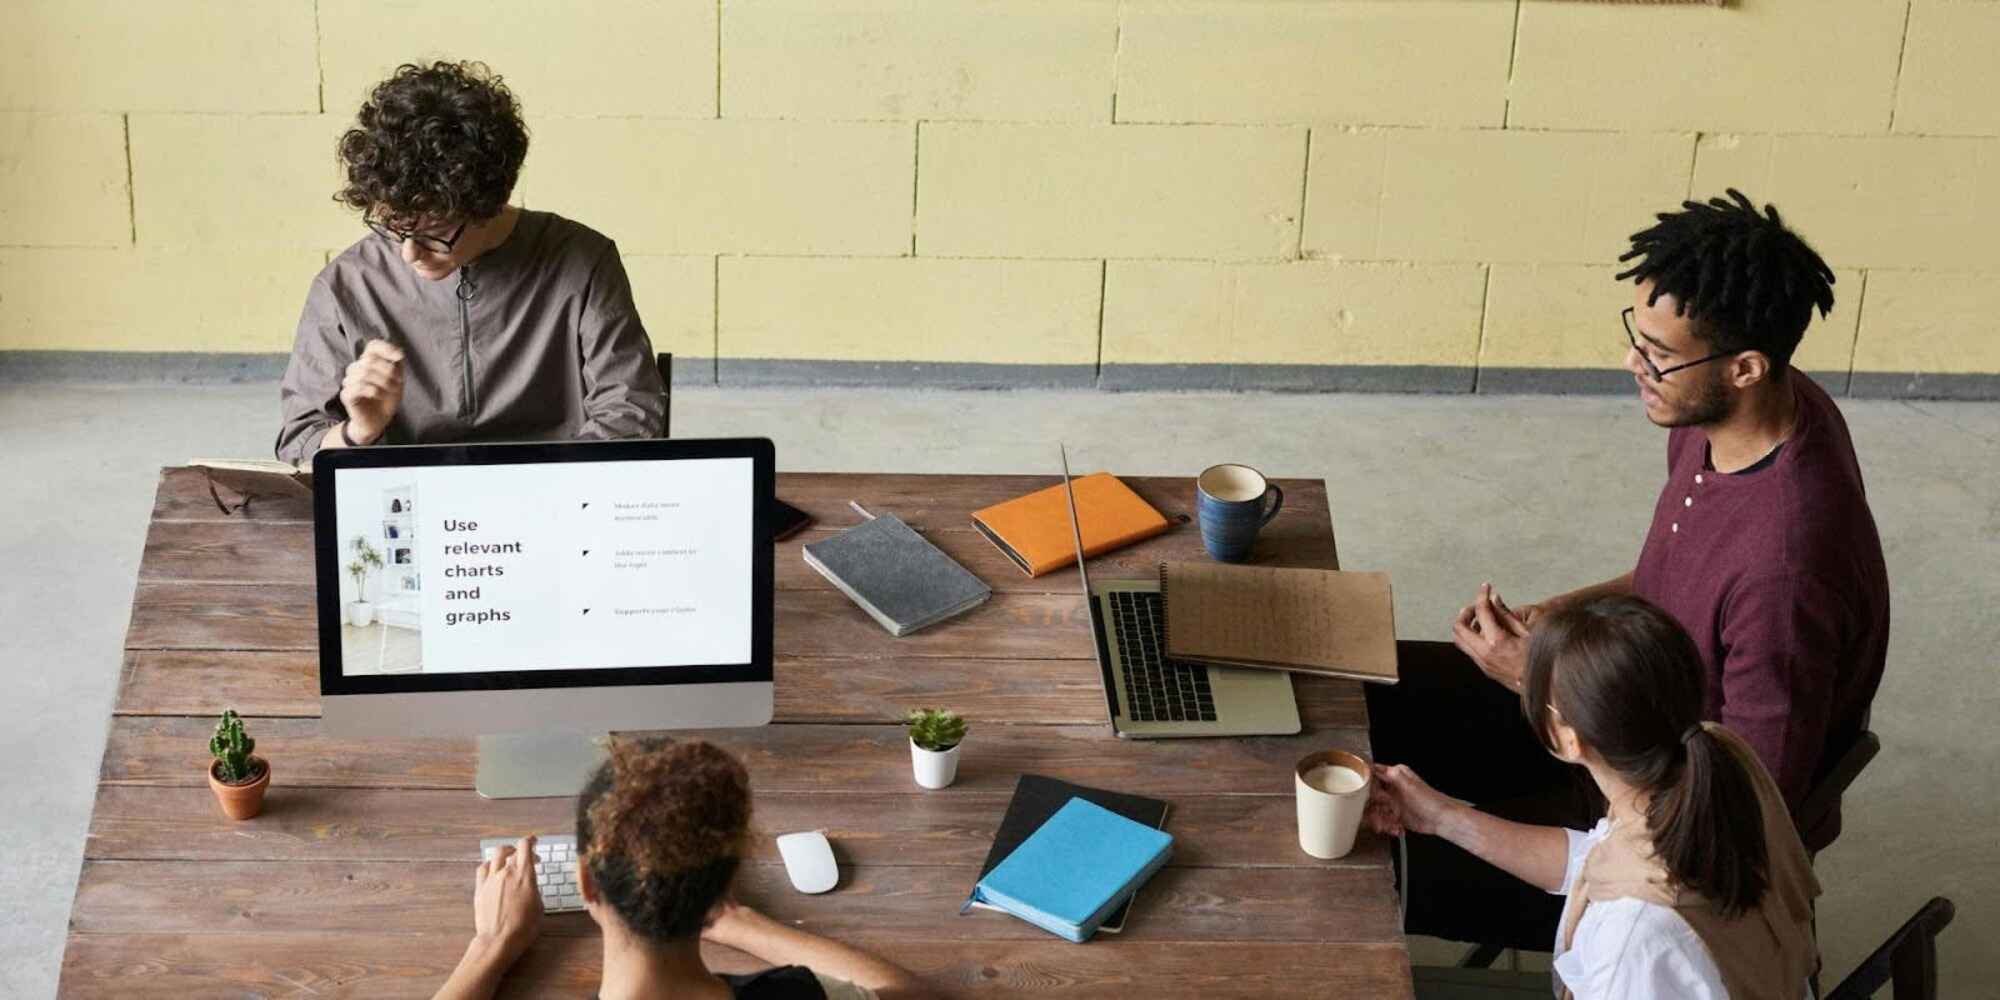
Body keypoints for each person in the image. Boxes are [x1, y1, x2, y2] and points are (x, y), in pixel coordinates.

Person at [1366, 189, 1890, 950]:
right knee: (1363, 694)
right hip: (1618, 713)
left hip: (1661, 830)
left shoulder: (1786, 574)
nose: (1632, 364)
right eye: (1637, 336)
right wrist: (1557, 620)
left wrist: (1540, 679)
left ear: (1746, 367)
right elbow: (1670, 572)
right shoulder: (1741, 414)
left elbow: (1742, 811)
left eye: (1660, 354)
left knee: (1350, 852)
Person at [1368, 596, 1820, 999]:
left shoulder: (1633, 938)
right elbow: (1599, 860)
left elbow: (1629, 906)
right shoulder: (1716, 752)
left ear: (1568, 740)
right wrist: (1440, 816)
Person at [276, 60, 664, 465]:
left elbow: (630, 414)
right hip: (407, 504)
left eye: (434, 234)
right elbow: (300, 444)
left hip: (557, 493)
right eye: (393, 227)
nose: (410, 253)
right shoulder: (346, 284)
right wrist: (359, 432)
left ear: (490, 204)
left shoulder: (583, 261)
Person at [435, 738, 923, 1000]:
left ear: (586, 881)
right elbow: (907, 994)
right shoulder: (799, 997)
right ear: (725, 887)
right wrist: (741, 924)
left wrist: (490, 947)